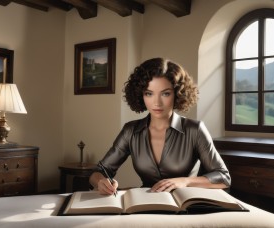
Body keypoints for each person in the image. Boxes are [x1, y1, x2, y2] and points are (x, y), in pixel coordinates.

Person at [89, 57, 230, 195]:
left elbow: (223, 177)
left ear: (177, 94)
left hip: (185, 207)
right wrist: (101, 181)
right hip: (144, 205)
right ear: (140, 95)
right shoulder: (130, 131)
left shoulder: (195, 129)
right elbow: (99, 171)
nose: (157, 102)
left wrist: (185, 181)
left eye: (165, 93)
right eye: (149, 93)